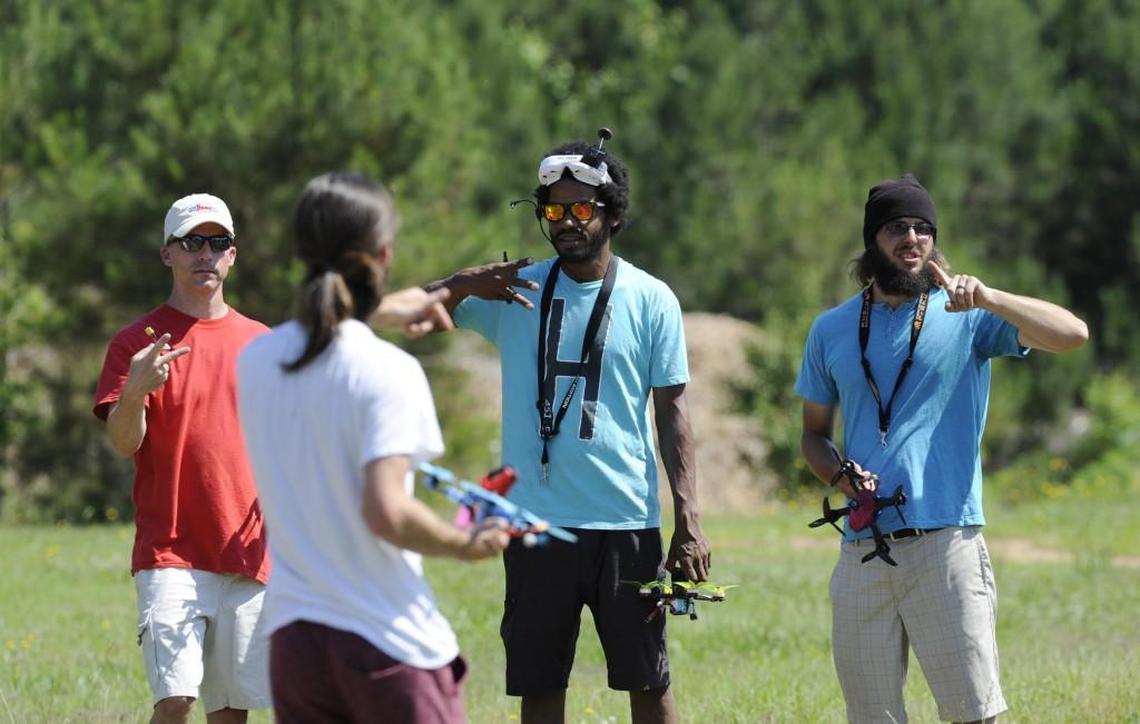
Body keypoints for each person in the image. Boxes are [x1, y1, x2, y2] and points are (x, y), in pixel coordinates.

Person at [425, 133, 712, 724]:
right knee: (540, 683)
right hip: (534, 524)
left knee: (649, 681)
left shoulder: (652, 299)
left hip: (627, 520)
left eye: (580, 208)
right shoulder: (517, 289)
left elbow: (673, 414)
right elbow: (409, 316)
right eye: (552, 210)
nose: (565, 222)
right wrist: (461, 282)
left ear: (611, 212)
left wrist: (689, 520)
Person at [795, 174, 1089, 723]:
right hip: (863, 548)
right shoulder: (830, 329)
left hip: (946, 543)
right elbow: (814, 434)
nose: (912, 238)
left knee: (973, 714)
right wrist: (840, 479)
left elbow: (1073, 334)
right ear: (872, 240)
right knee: (872, 716)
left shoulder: (970, 319)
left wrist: (991, 298)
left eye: (923, 228)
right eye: (897, 227)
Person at [236, 171, 510, 723]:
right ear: (383, 254)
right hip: (386, 645)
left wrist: (382, 310)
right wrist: (465, 544)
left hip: (296, 650)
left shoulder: (258, 361)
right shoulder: (389, 371)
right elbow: (386, 511)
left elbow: (320, 329)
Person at [93, 193, 271, 723]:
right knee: (174, 701)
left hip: (247, 554)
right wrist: (134, 392)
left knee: (230, 714)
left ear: (232, 256)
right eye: (191, 242)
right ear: (167, 253)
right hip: (170, 553)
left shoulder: (262, 343)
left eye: (217, 243)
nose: (205, 254)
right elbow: (125, 442)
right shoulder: (135, 344)